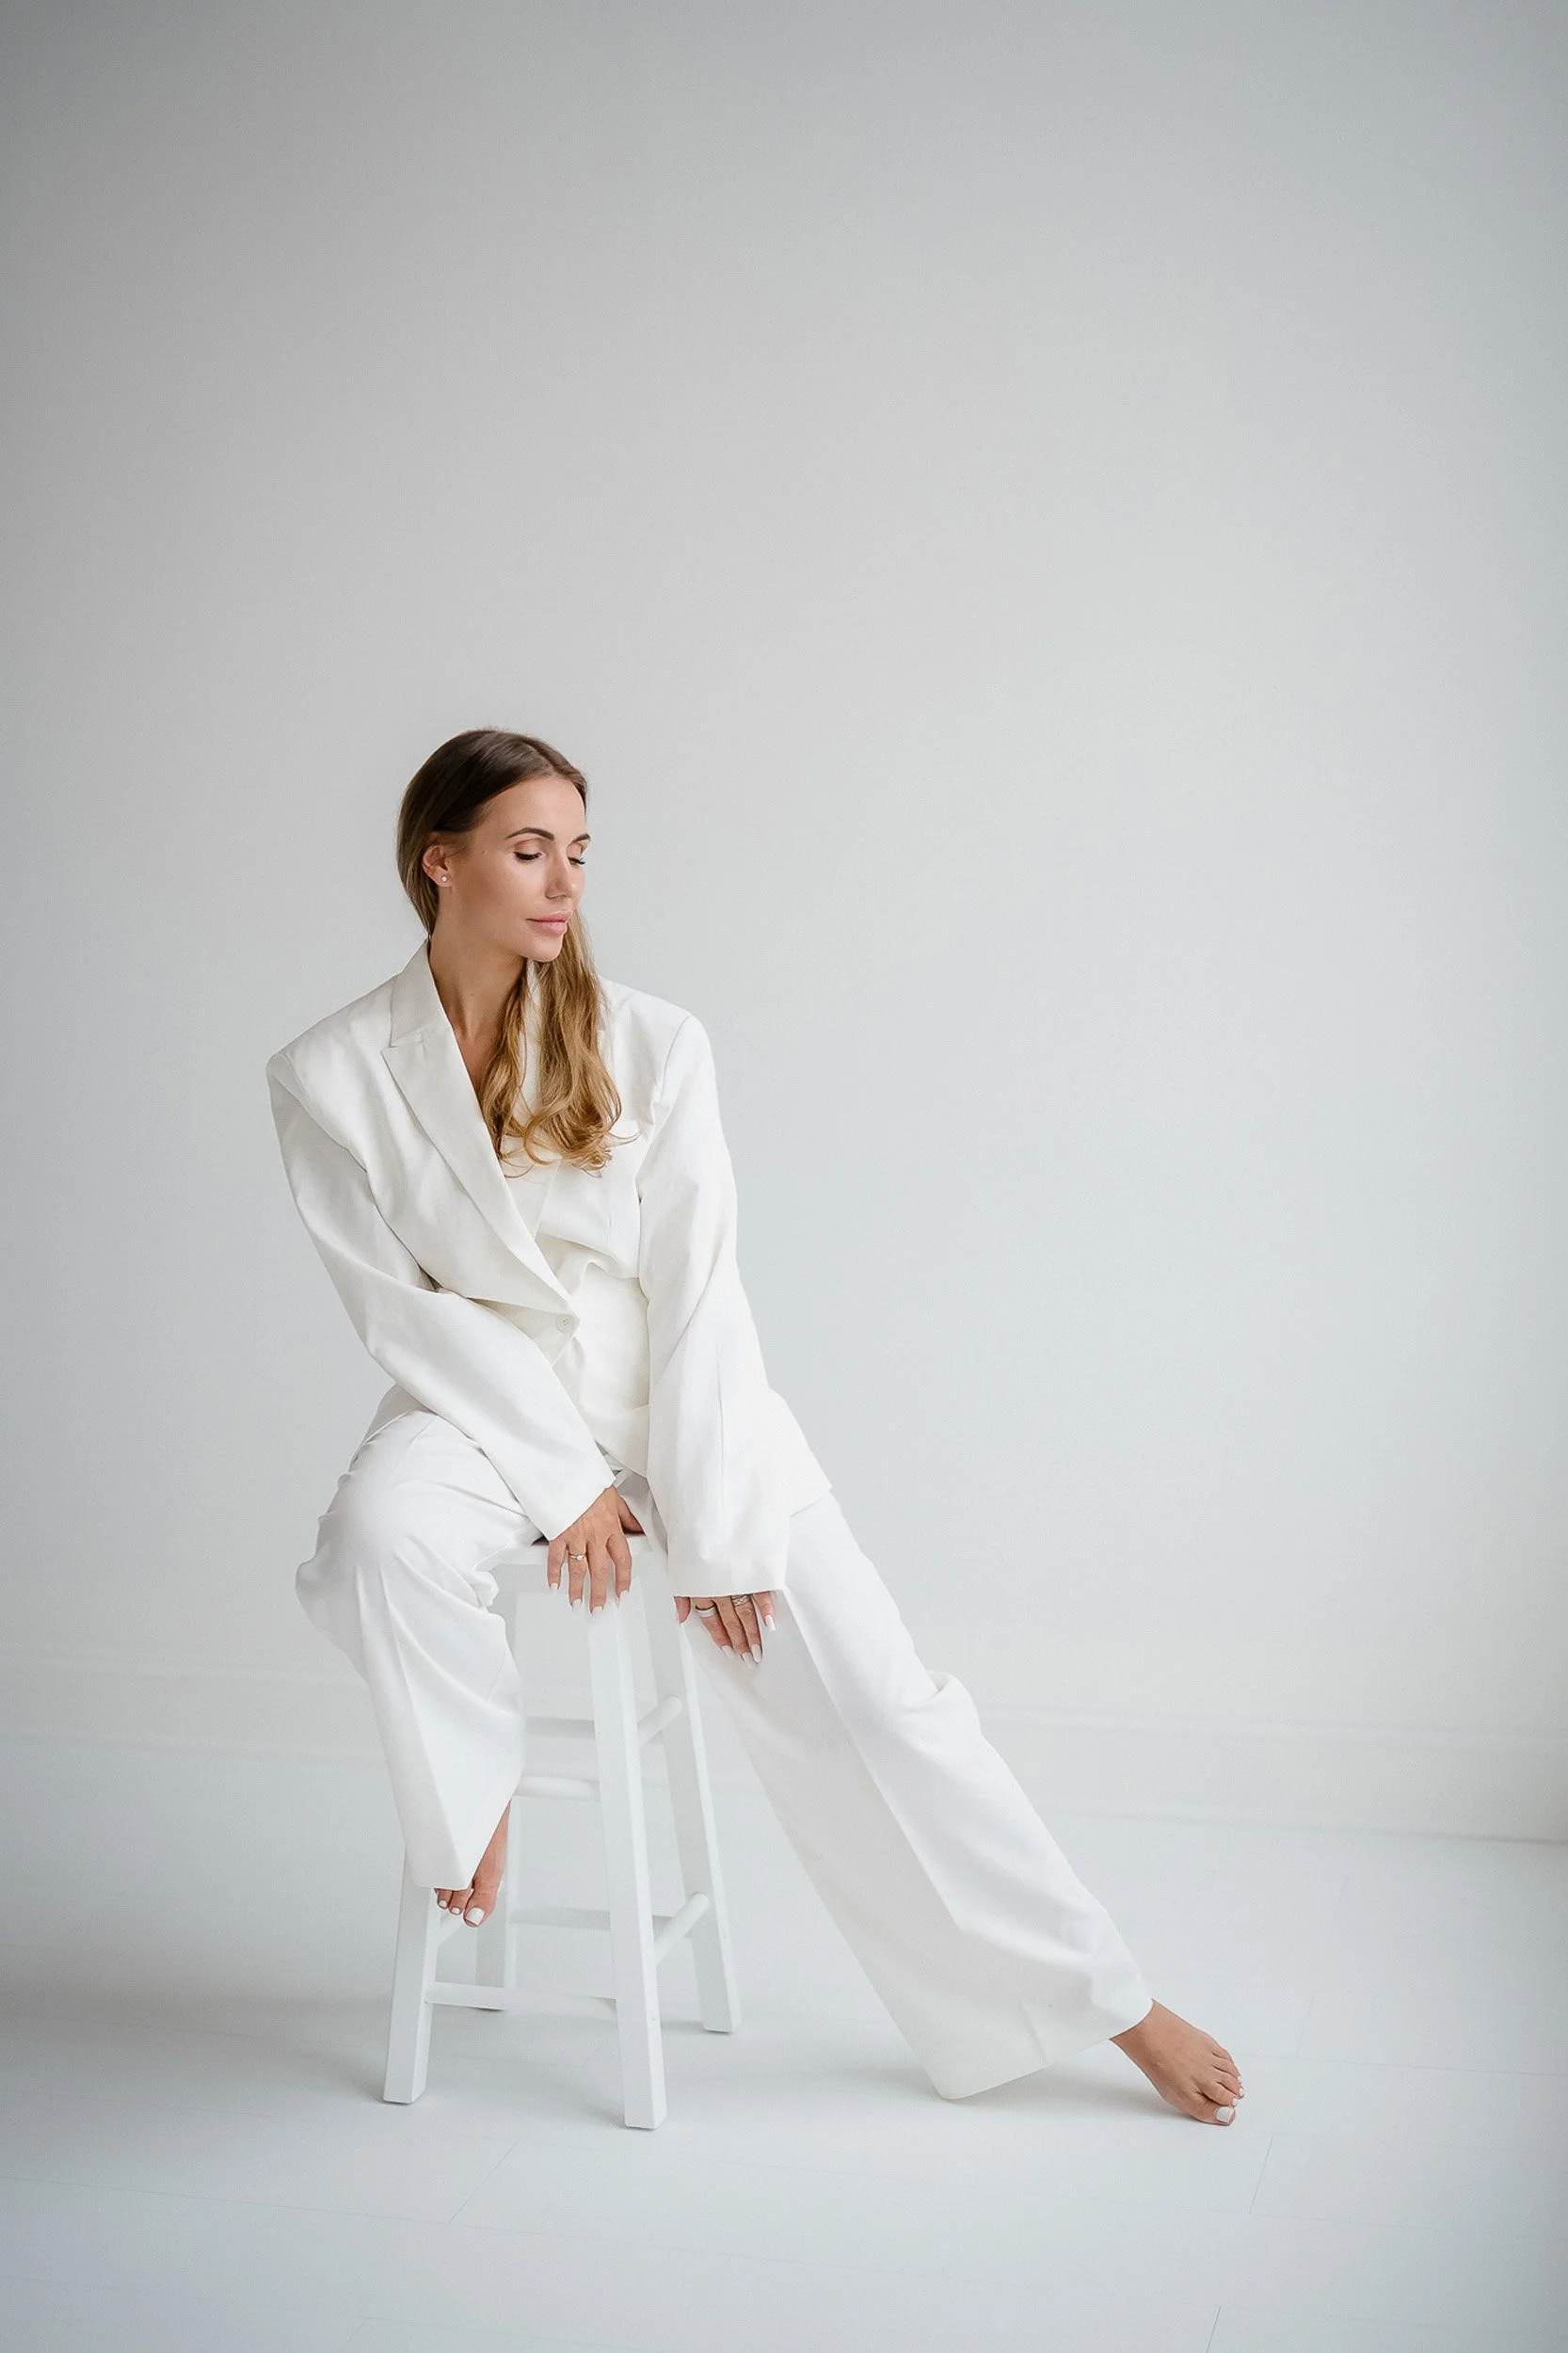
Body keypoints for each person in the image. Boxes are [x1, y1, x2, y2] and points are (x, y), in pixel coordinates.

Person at [265, 727, 1243, 2125]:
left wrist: (711, 1529)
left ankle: (1112, 2003)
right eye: (527, 849)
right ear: (441, 859)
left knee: (886, 1712)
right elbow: (399, 1312)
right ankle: (467, 1800)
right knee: (373, 1534)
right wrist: (560, 1486)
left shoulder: (651, 1041)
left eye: (578, 854)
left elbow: (699, 1296)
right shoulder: (330, 1071)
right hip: (481, 1406)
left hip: (682, 1410)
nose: (562, 883)